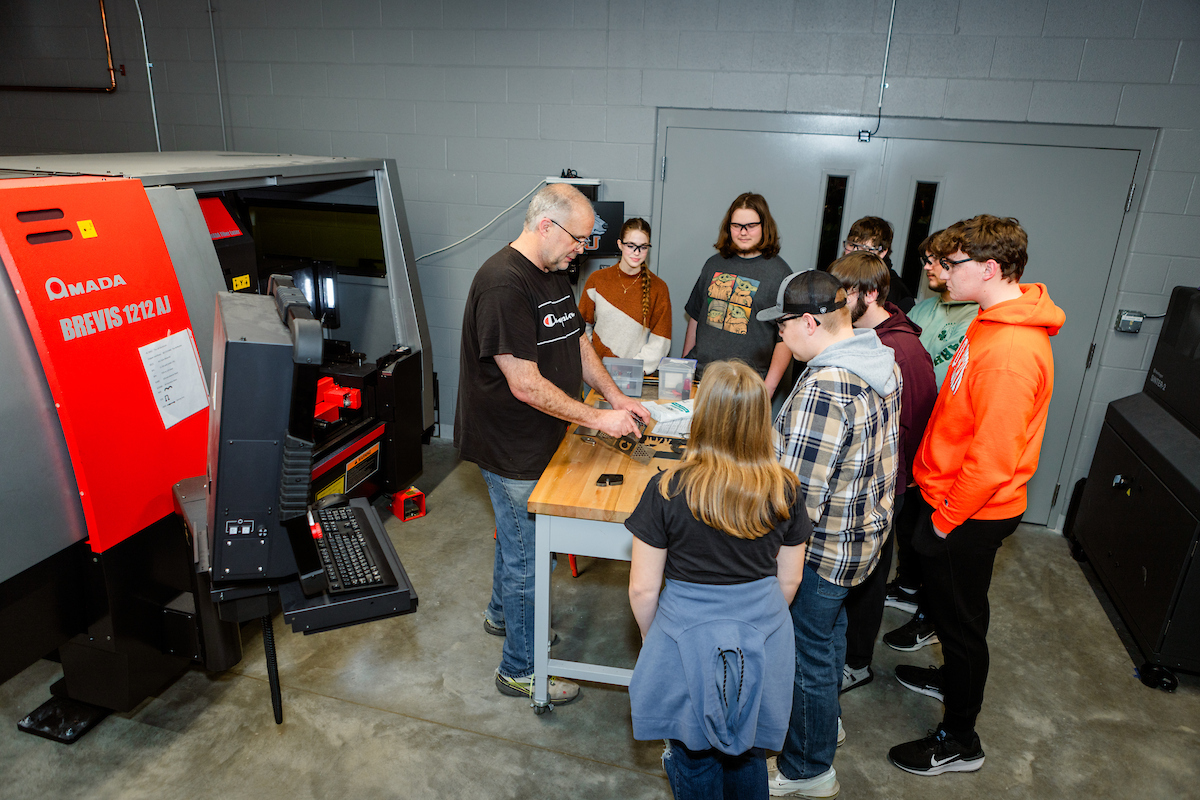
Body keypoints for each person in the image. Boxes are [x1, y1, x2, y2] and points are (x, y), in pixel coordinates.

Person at [455, 182, 652, 705]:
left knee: (516, 539)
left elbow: (578, 344)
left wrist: (616, 400)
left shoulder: (553, 273)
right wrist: (598, 420)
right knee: (527, 555)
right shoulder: (502, 284)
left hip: (543, 436)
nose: (582, 251)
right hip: (509, 445)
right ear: (547, 225)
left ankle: (503, 617)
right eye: (580, 239)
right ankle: (520, 669)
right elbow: (523, 382)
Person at [888, 215, 1064, 776]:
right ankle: (948, 680)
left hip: (968, 511)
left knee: (962, 626)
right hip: (952, 499)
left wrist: (943, 523)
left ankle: (959, 739)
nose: (940, 277)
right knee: (954, 611)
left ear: (989, 269)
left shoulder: (1012, 349)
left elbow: (991, 461)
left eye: (953, 265)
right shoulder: (989, 321)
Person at [625, 360, 810, 800]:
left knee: (691, 753)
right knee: (747, 752)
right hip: (762, 637)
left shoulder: (667, 488)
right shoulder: (785, 489)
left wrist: (659, 639)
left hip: (685, 633)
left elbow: (643, 588)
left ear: (701, 415)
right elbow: (791, 579)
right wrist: (752, 621)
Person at [757, 270, 901, 799]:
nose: (780, 336)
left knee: (805, 656)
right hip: (860, 539)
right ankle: (824, 725)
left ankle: (807, 769)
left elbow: (795, 501)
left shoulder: (826, 386)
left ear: (812, 321)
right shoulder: (877, 359)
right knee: (830, 640)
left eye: (784, 326)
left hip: (820, 550)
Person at [826, 252, 937, 695]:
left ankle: (856, 662)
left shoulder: (902, 351)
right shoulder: (863, 334)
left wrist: (887, 489)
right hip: (860, 482)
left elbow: (909, 430)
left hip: (885, 486)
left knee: (870, 576)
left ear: (870, 294)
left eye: (844, 294)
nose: (835, 304)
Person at [881, 230, 979, 643]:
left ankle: (931, 618)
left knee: (937, 541)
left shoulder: (979, 320)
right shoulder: (923, 308)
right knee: (909, 522)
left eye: (938, 261)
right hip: (917, 436)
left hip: (952, 449)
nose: (928, 267)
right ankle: (908, 585)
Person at [682, 193, 794, 397]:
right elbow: (696, 317)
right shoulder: (713, 264)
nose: (743, 232)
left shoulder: (781, 274)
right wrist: (684, 369)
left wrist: (767, 389)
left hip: (748, 387)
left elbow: (785, 339)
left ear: (764, 226)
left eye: (750, 225)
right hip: (702, 378)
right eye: (736, 226)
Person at [578, 217, 672, 374]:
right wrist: (593, 362)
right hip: (596, 374)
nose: (637, 253)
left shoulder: (659, 288)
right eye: (631, 246)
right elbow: (582, 326)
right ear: (620, 245)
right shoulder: (597, 279)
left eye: (643, 247)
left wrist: (632, 370)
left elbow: (660, 341)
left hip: (634, 377)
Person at [842, 216, 915, 313]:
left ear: (882, 252)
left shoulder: (894, 290)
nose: (854, 253)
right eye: (851, 245)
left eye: (864, 248)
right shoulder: (840, 274)